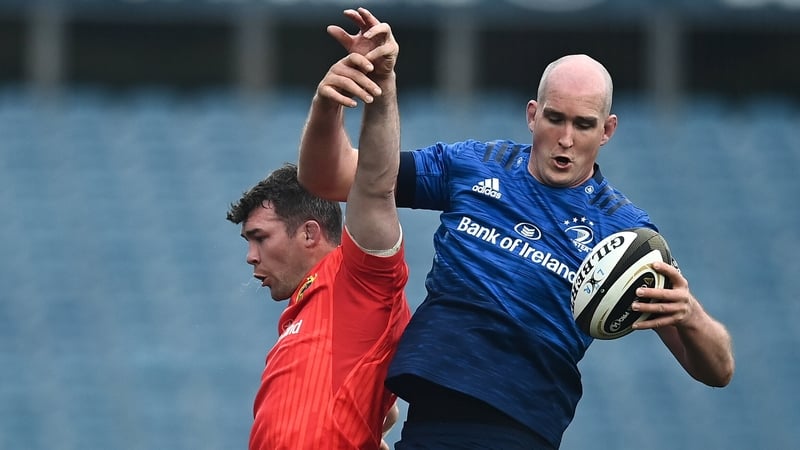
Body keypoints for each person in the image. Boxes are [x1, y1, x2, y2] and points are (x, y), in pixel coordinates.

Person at [297, 7, 736, 450]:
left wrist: (691, 315)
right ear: (532, 115)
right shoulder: (472, 165)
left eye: (583, 125)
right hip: (431, 413)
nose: (566, 138)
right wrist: (327, 106)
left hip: (518, 428)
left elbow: (718, 370)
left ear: (607, 131)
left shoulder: (625, 233)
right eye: (554, 118)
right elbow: (331, 180)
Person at [226, 19, 409, 449]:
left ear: (310, 233)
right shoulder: (300, 319)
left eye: (260, 238)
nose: (251, 256)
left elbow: (375, 185)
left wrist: (373, 89)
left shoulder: (360, 280)